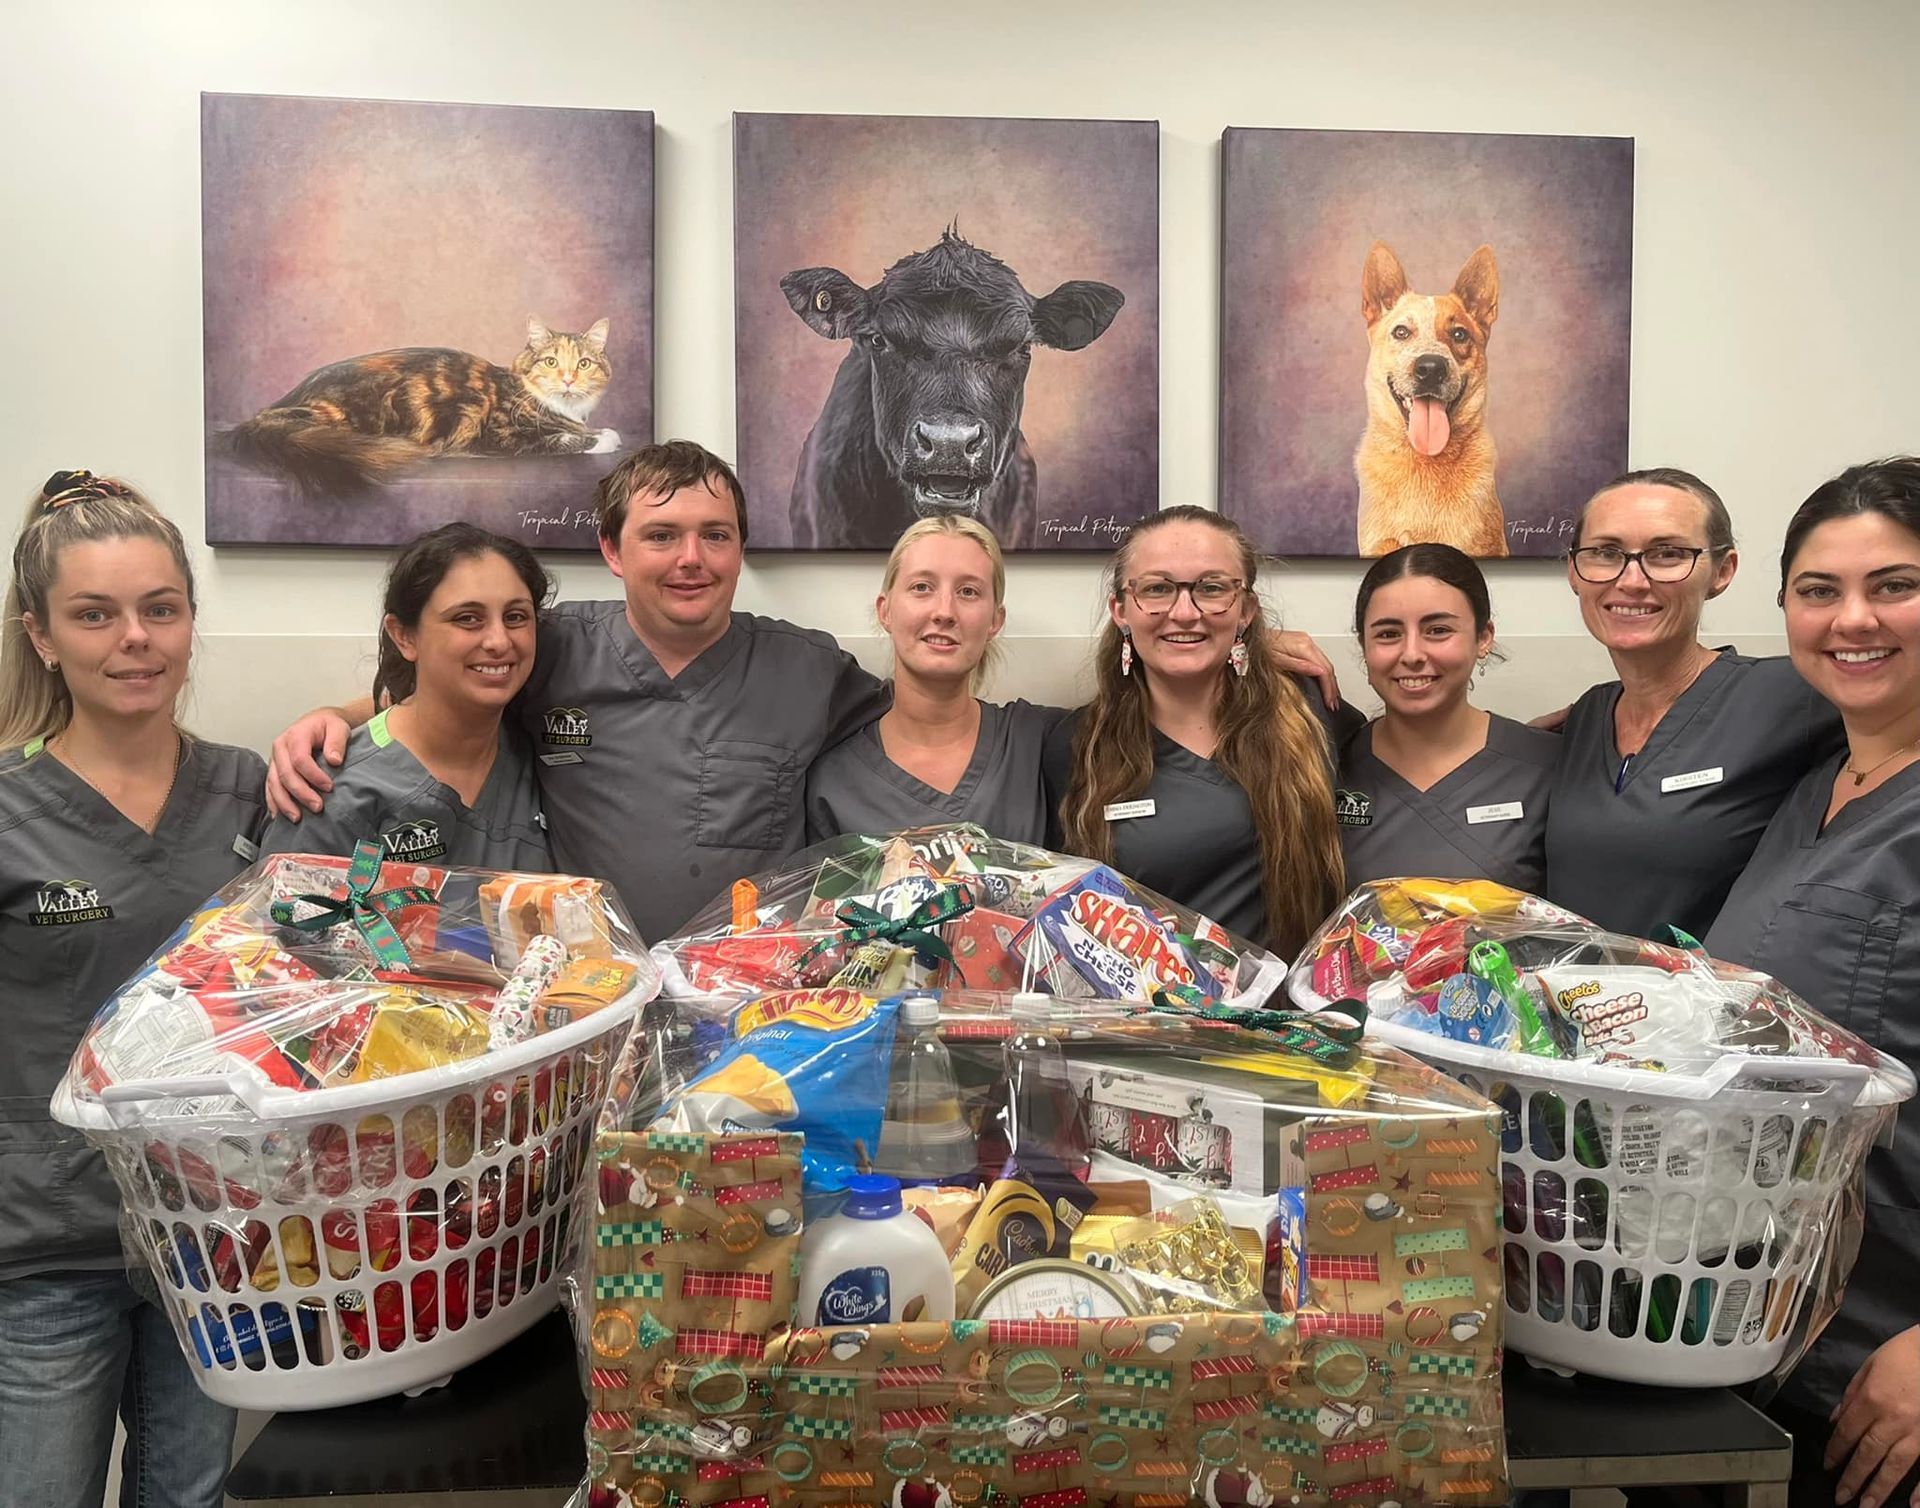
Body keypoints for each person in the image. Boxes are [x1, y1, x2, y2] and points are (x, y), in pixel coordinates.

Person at [265, 441, 889, 943]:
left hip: (740, 999)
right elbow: (450, 685)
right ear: (613, 551)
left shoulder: (809, 668)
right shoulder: (551, 646)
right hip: (582, 995)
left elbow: (911, 730)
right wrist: (334, 716)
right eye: (662, 535)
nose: (691, 558)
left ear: (740, 549)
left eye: (716, 535)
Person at [0, 471, 267, 1507]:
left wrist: (340, 719)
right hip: (45, 1242)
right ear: (42, 633)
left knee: (188, 1495)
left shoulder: (255, 787)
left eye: (161, 608)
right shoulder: (12, 814)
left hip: (215, 1239)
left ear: (191, 622)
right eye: (95, 613)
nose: (136, 637)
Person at [1706, 458, 1920, 1508]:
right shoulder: (1814, 789)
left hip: (1903, 1364)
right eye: (1819, 590)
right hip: (1801, 1337)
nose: (1854, 619)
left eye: (1896, 583)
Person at [1543, 467, 1843, 939]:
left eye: (1667, 554)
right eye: (1605, 553)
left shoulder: (1794, 696)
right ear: (1574, 572)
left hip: (1704, 1006)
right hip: (1569, 1001)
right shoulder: (1585, 718)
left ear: (1722, 571)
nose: (1632, 580)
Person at [1043, 505, 1356, 956]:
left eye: (1212, 589)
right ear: (1121, 610)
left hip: (1290, 1019)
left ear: (1246, 609)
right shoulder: (1077, 747)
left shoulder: (1309, 715)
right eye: (1157, 589)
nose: (1184, 612)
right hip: (1146, 1021)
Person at [259, 523, 552, 869]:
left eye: (516, 617)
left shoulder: (544, 750)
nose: (499, 641)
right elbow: (283, 919)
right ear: (404, 636)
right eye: (468, 618)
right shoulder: (332, 788)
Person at [805, 515, 1065, 844]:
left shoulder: (1034, 743)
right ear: (885, 611)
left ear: (995, 621)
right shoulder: (835, 781)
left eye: (968, 591)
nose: (944, 612)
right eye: (922, 588)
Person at [1339, 543, 1558, 891]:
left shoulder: (1547, 767)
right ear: (1364, 647)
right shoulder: (1325, 769)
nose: (1412, 653)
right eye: (1388, 634)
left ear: (1483, 638)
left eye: (1438, 630)